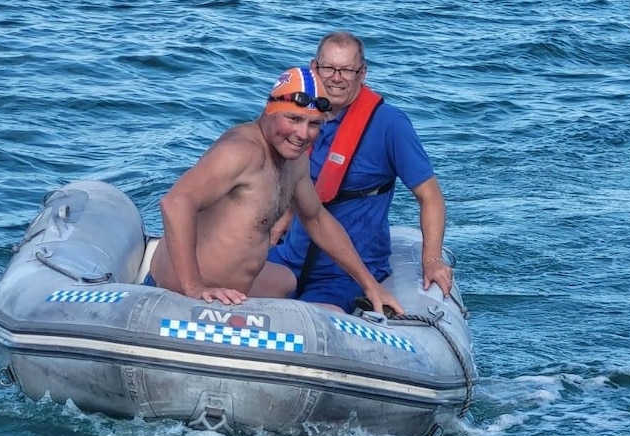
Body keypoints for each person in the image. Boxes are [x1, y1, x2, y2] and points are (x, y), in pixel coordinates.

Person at [145, 66, 402, 314]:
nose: (303, 133)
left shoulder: (295, 160)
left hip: (231, 294)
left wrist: (371, 285)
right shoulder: (242, 151)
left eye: (314, 124)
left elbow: (317, 219)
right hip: (181, 296)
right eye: (294, 119)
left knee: (286, 281)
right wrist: (194, 287)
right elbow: (176, 202)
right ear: (270, 110)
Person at [267, 31, 453, 314]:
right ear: (314, 69)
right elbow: (301, 181)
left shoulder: (390, 125)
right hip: (291, 256)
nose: (335, 77)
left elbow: (431, 198)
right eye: (328, 68)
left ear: (362, 73)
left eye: (346, 70)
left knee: (311, 321)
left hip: (348, 271)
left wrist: (432, 260)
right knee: (228, 294)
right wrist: (283, 217)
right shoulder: (301, 118)